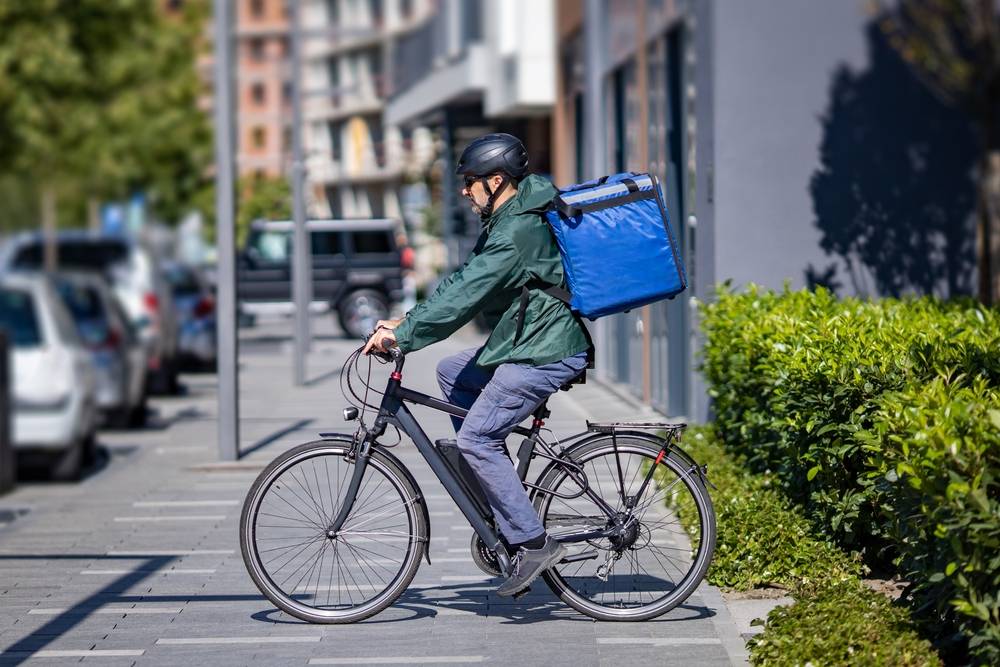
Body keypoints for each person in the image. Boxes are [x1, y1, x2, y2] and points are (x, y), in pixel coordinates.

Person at [361, 133, 592, 597]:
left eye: (470, 182)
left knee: (476, 437)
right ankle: (499, 487)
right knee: (451, 372)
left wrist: (404, 338)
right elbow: (462, 282)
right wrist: (407, 320)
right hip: (527, 341)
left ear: (496, 180)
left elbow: (467, 298)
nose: (464, 191)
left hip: (545, 350)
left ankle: (532, 541)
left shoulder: (515, 232)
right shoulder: (510, 216)